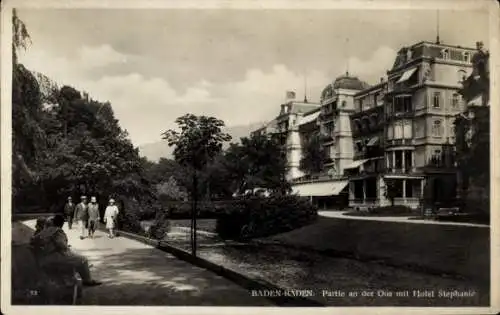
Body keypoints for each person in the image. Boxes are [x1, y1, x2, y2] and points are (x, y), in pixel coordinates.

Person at [31, 215, 102, 286]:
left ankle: (76, 276)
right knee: (83, 260)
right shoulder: (57, 231)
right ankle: (87, 280)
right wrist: (66, 248)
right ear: (62, 224)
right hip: (52, 258)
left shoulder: (45, 231)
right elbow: (62, 245)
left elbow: (34, 241)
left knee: (74, 257)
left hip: (42, 258)